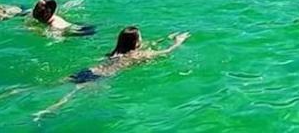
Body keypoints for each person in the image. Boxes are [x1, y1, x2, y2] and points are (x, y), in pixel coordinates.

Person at [35, 27, 189, 119]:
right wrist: (178, 42)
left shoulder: (116, 51)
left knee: (54, 84)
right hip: (102, 76)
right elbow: (166, 52)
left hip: (91, 69)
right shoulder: (137, 55)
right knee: (71, 95)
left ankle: (21, 91)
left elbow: (148, 44)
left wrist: (165, 37)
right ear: (136, 42)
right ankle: (46, 111)